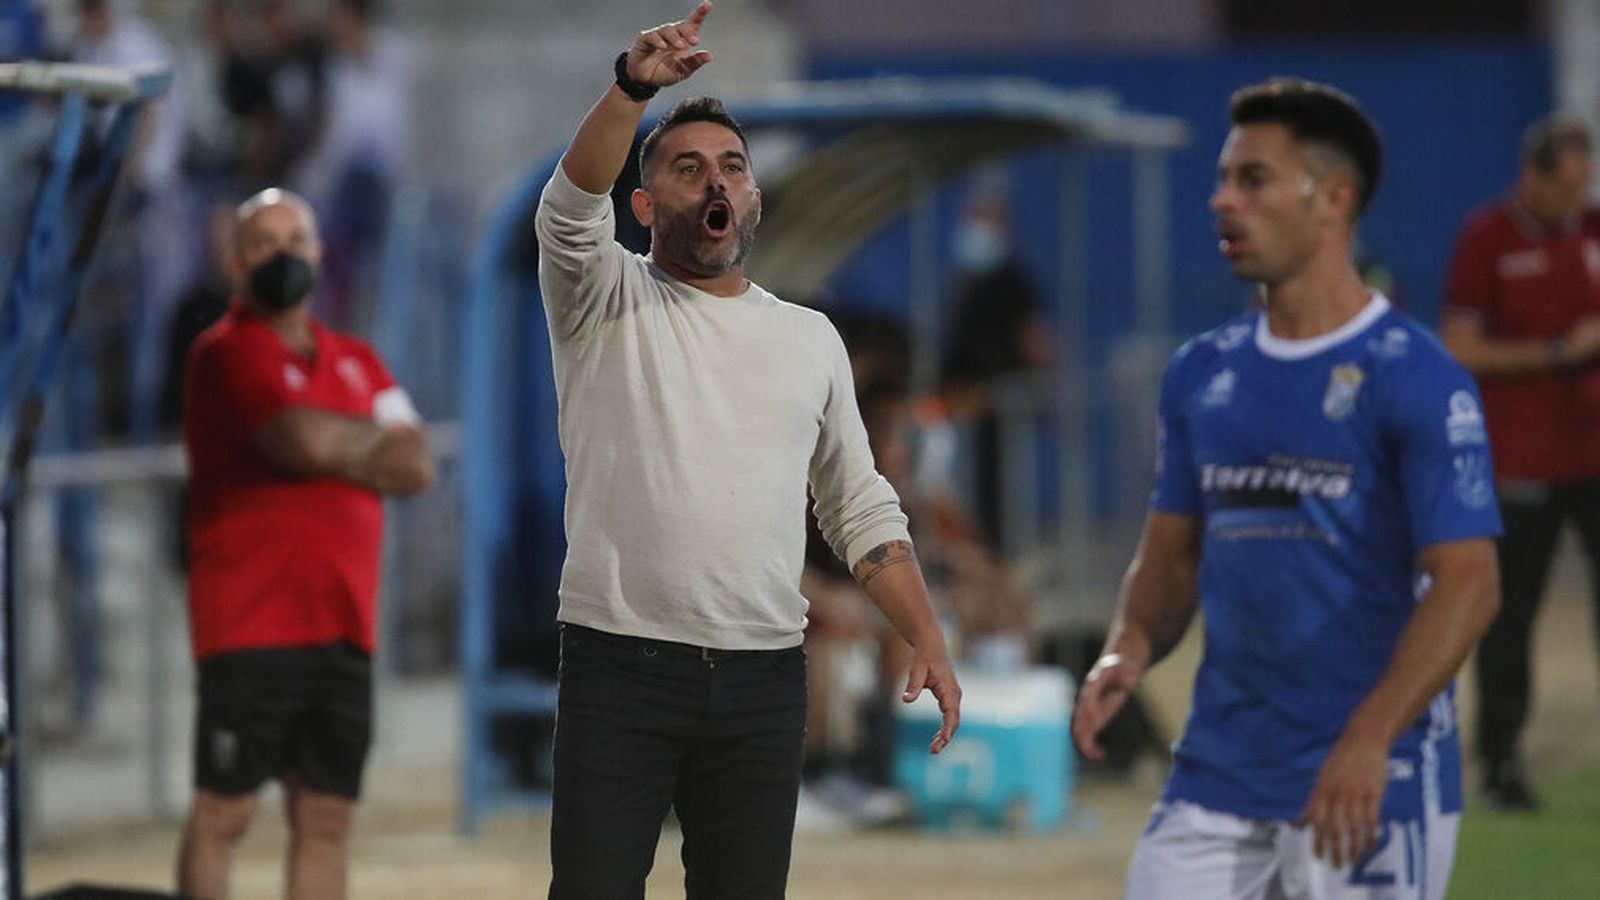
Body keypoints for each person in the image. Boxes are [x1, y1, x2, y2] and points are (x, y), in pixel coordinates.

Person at [534, 3, 960, 896]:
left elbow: (859, 505)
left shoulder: (809, 338)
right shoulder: (602, 296)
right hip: (621, 667)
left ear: (754, 198)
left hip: (764, 683)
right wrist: (631, 88)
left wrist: (924, 631)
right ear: (646, 205)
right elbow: (571, 209)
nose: (715, 183)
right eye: (688, 170)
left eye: (732, 167)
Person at [1071, 79, 1502, 899]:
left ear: (1333, 197)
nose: (1222, 201)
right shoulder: (1202, 372)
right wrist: (1128, 646)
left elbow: (1470, 583)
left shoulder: (1415, 376)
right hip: (1218, 776)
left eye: (1253, 179)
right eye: (1223, 179)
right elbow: (1171, 555)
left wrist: (1371, 738)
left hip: (1372, 775)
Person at [176, 188, 434, 900]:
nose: (284, 254)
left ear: (320, 254)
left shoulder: (358, 358)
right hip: (249, 625)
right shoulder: (223, 355)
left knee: (325, 817)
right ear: (236, 264)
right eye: (264, 243)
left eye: (297, 239)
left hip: (344, 626)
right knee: (224, 811)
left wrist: (333, 442)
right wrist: (363, 444)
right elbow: (294, 441)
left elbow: (416, 465)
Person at [1439, 114, 1600, 812]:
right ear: (1530, 176)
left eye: (1583, 186)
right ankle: (1501, 762)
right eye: (1565, 187)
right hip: (1522, 462)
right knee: (1510, 616)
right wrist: (1559, 352)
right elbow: (1461, 347)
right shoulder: (1488, 238)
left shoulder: (1593, 232)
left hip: (1595, 454)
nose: (1575, 200)